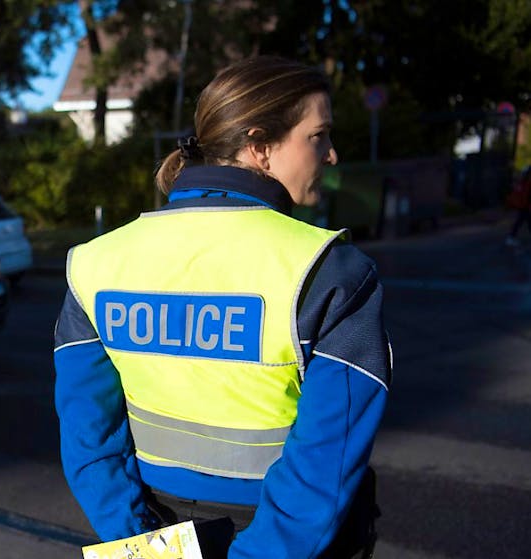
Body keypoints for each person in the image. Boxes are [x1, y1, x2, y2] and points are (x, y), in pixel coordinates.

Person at [53, 55, 391, 559]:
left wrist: (140, 544)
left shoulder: (94, 262)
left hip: (155, 530)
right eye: (318, 136)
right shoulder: (330, 269)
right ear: (260, 145)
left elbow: (89, 439)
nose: (332, 155)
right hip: (286, 541)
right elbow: (325, 463)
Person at [505, 166, 531, 247]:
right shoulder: (527, 180)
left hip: (523, 204)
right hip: (525, 204)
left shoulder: (524, 177)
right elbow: (527, 193)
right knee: (522, 221)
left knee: (522, 221)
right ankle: (511, 238)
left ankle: (511, 237)